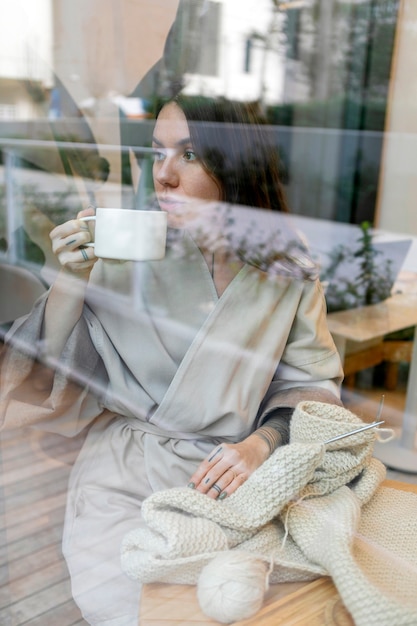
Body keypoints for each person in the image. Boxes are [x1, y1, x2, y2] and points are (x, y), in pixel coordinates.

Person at [0, 95, 343, 626]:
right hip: (127, 474)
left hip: (236, 476)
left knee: (272, 605)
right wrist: (71, 278)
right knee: (133, 607)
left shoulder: (285, 264)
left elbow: (312, 384)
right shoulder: (124, 249)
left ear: (235, 165)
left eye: (188, 155)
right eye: (157, 153)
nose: (164, 177)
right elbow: (42, 374)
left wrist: (261, 443)